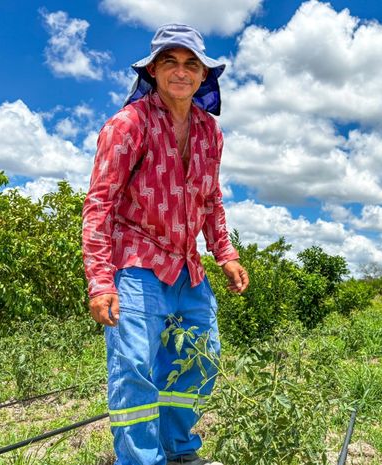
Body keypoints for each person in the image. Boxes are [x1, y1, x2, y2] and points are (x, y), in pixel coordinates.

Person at [82, 23, 248, 465]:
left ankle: (179, 450)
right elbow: (100, 204)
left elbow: (211, 199)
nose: (181, 71)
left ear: (203, 75)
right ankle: (140, 460)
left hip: (187, 266)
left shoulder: (210, 132)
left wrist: (225, 254)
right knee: (134, 367)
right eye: (170, 62)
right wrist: (101, 282)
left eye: (191, 63)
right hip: (136, 260)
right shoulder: (126, 125)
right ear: (153, 70)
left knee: (199, 357)